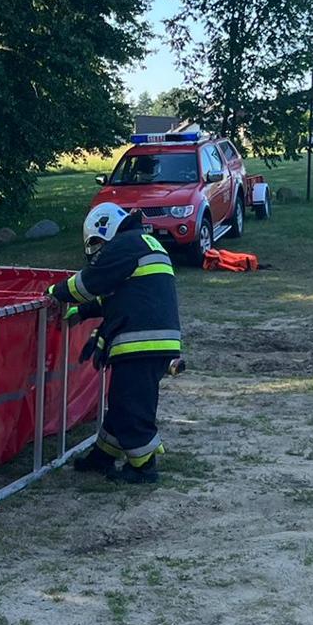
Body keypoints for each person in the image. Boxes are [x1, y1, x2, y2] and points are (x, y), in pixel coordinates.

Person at [46, 203, 182, 483]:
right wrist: (84, 312)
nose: (98, 252)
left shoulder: (123, 246)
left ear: (104, 230)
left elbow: (88, 283)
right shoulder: (140, 242)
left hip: (141, 344)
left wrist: (53, 293)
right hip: (153, 341)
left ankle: (143, 467)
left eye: (97, 245)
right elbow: (122, 295)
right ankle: (103, 456)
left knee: (132, 407)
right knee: (122, 401)